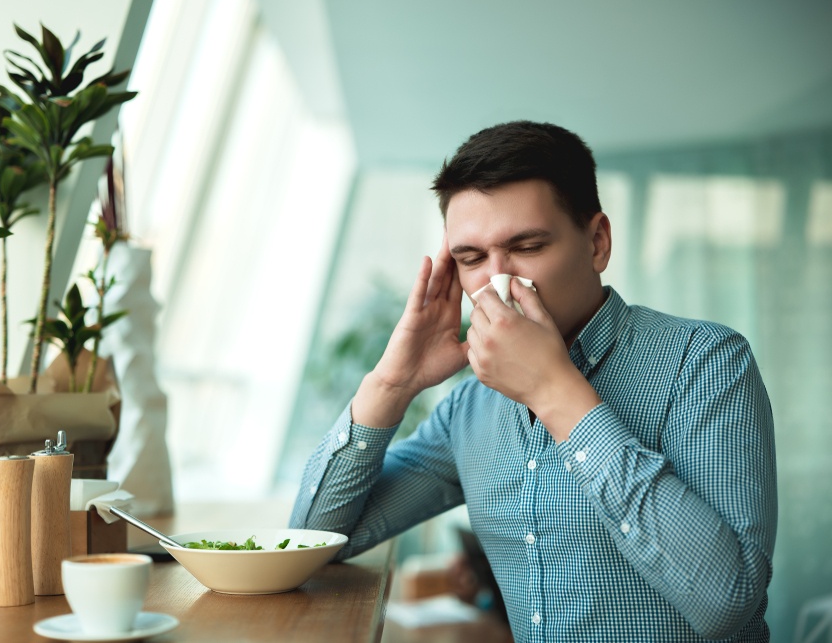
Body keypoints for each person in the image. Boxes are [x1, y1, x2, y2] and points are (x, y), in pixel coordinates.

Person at [289, 121, 777, 642]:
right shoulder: (469, 409)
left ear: (597, 242)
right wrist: (391, 383)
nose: (497, 282)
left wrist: (553, 391)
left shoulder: (704, 364)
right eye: (471, 259)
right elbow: (317, 542)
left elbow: (728, 602)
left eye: (527, 246)